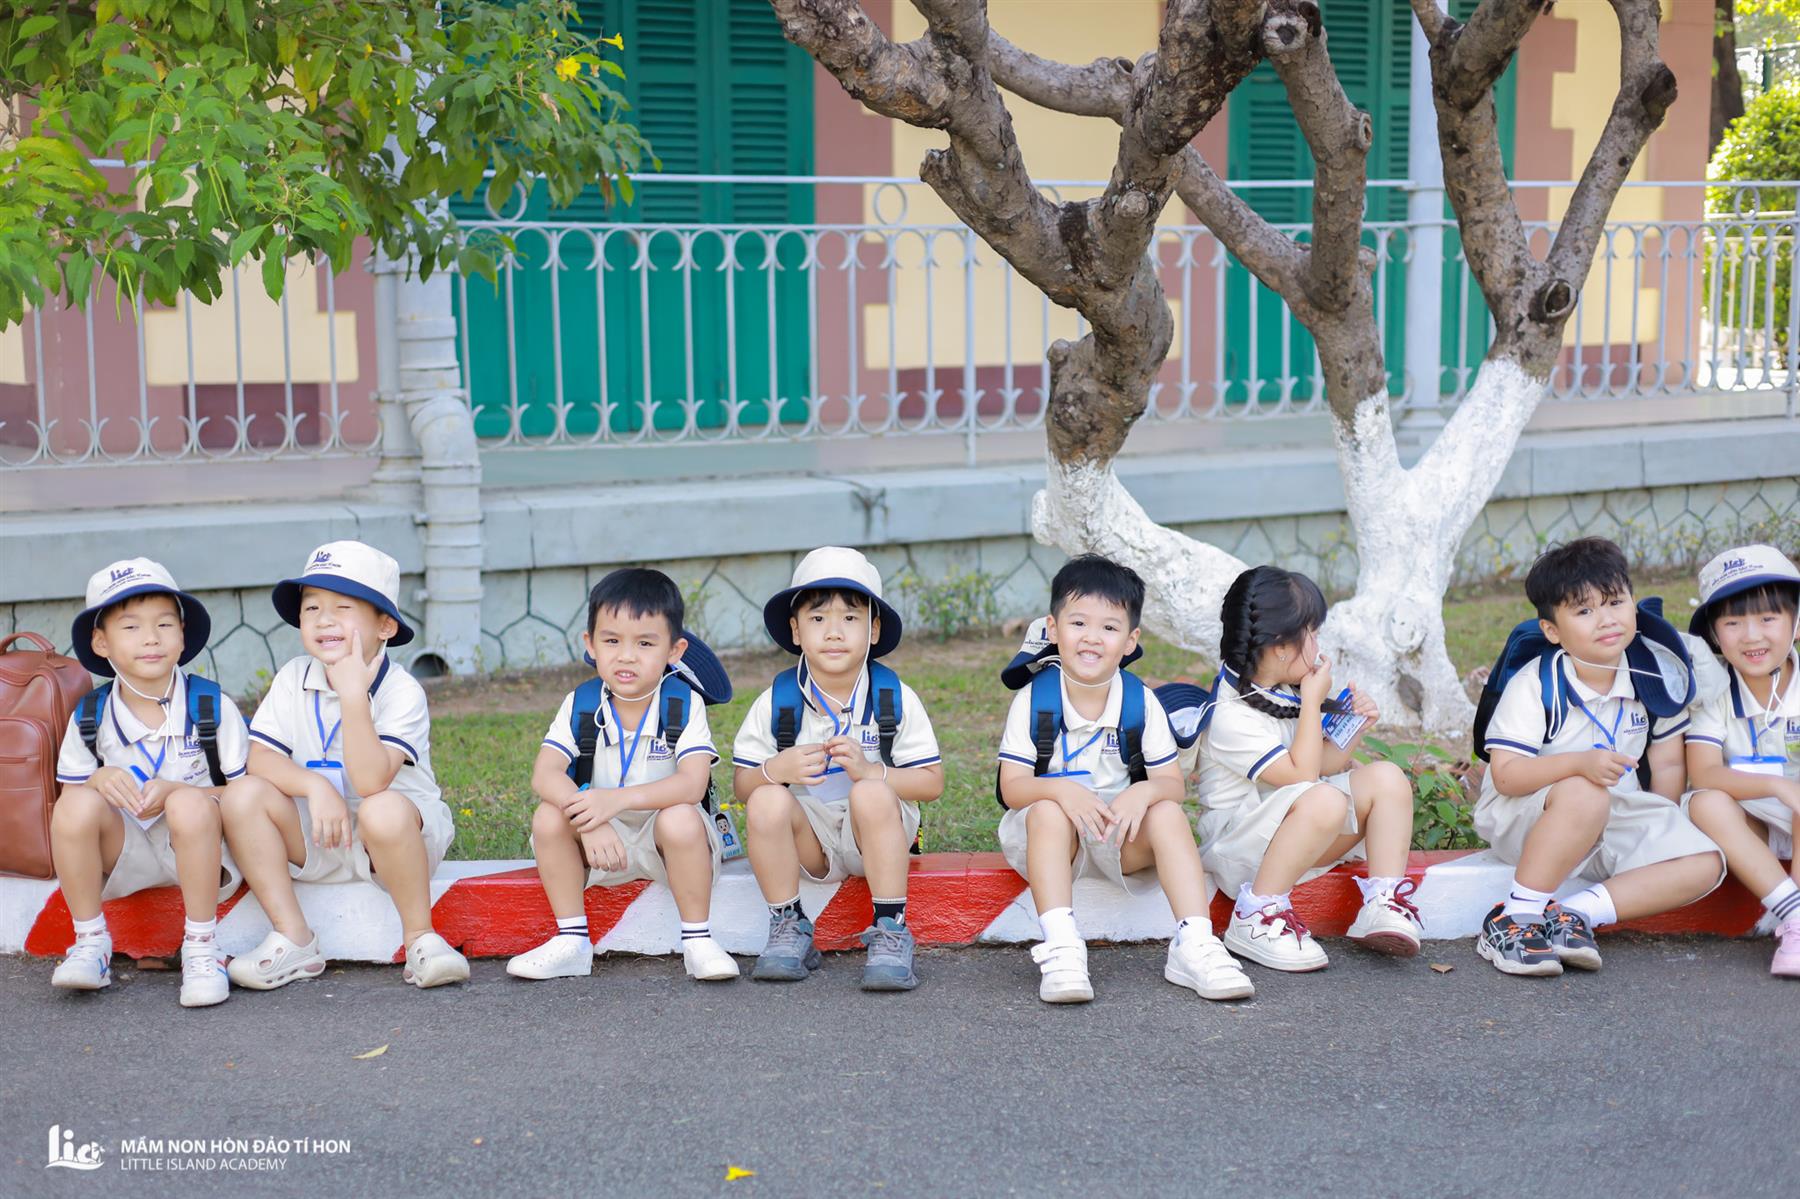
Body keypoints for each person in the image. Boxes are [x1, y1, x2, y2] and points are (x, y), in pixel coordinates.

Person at [997, 554, 1253, 1003]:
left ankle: (1195, 943)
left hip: (1119, 837)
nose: (1092, 638)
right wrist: (1061, 790)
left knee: (1167, 812)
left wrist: (1144, 792)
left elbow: (1173, 784)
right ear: (1053, 628)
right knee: (1047, 812)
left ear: (1131, 640)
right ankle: (1061, 945)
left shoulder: (1140, 701)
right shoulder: (1034, 700)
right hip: (1053, 842)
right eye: (1078, 623)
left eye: (1110, 627)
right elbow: (1012, 787)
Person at [222, 540, 467, 989]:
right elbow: (260, 758)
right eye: (312, 607)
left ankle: (421, 938)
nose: (324, 619)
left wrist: (354, 694)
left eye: (343, 607)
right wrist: (315, 786)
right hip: (320, 832)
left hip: (394, 843)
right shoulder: (294, 677)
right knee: (242, 795)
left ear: (385, 625)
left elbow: (372, 781)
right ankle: (294, 938)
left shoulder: (401, 690)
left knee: (381, 809)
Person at [506, 568, 737, 982]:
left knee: (681, 816)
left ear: (675, 650)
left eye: (645, 643)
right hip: (599, 841)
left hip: (665, 841)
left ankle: (698, 940)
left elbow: (692, 784)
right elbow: (545, 773)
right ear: (590, 644)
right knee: (548, 815)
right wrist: (589, 820)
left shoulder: (683, 704)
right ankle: (571, 941)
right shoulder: (581, 703)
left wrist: (615, 801)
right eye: (612, 641)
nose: (626, 656)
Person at [732, 547, 944, 990]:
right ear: (795, 630)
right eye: (817, 618)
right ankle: (788, 924)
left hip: (878, 834)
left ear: (874, 628)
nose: (834, 632)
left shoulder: (893, 697)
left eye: (850, 618)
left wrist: (872, 772)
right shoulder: (777, 702)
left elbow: (931, 783)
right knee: (767, 799)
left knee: (870, 792)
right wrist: (776, 769)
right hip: (813, 839)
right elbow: (743, 786)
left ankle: (890, 929)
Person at [1197, 565, 1422, 973]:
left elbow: (1319, 768)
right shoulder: (1230, 715)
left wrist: (1355, 727)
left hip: (1293, 834)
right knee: (1325, 800)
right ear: (1281, 647)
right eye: (1312, 633)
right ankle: (1255, 914)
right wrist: (1314, 702)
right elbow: (1303, 778)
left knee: (1387, 779)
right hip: (1239, 854)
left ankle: (1382, 901)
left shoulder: (1282, 691)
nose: (1319, 645)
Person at [50, 559, 246, 1007]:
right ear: (101, 642)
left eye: (164, 624)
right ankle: (91, 943)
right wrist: (97, 779)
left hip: (203, 853)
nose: (151, 638)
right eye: (131, 627)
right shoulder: (91, 716)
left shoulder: (210, 706)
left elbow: (246, 794)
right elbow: (69, 812)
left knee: (187, 804)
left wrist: (181, 791)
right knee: (76, 801)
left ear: (183, 634)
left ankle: (202, 948)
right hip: (126, 854)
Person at [1680, 544, 1800, 977]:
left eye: (1768, 618)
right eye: (1733, 623)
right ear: (1714, 635)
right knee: (1704, 801)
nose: (1751, 636)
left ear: (1797, 624)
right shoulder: (1713, 693)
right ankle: (1796, 916)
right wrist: (1776, 786)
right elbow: (1703, 772)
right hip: (1753, 825)